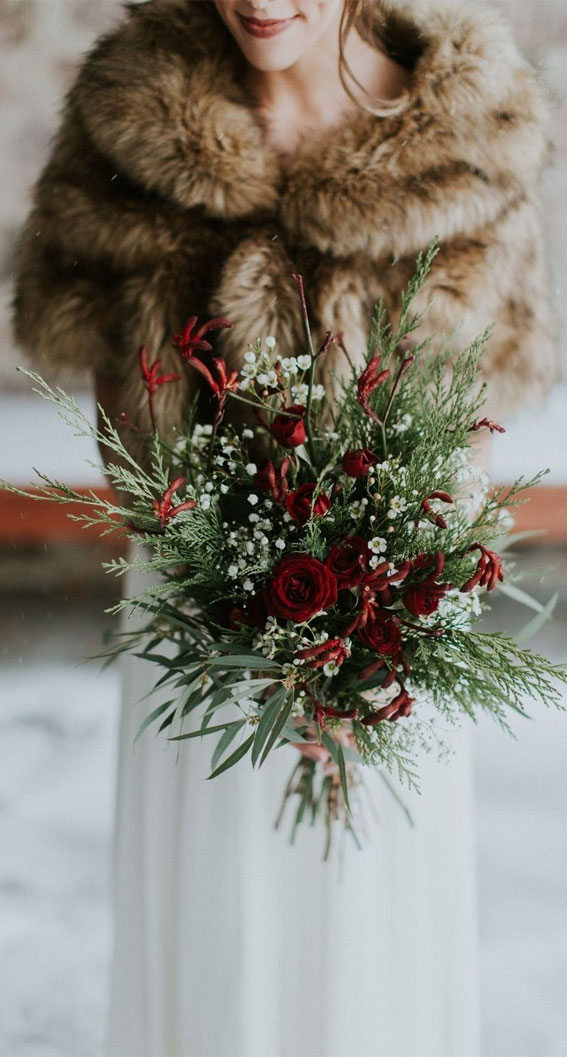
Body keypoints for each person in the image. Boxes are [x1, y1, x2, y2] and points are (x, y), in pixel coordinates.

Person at [11, 1, 556, 1055]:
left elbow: (475, 415)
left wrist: (394, 609)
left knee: (372, 902)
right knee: (218, 904)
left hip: (396, 605)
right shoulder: (134, 117)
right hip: (197, 596)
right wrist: (224, 571)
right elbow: (114, 400)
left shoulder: (463, 130)